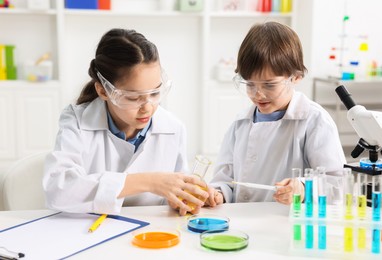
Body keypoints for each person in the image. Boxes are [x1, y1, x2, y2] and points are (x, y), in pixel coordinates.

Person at [43, 28, 211, 216]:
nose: (147, 107)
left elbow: (175, 196)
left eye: (155, 93)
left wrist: (188, 197)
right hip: (90, 232)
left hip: (150, 234)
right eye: (133, 97)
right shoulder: (77, 121)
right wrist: (150, 182)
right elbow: (58, 191)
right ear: (103, 91)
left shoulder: (173, 128)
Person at [205, 21, 346, 206]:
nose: (258, 94)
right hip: (242, 223)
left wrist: (303, 188)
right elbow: (225, 179)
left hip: (287, 224)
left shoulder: (314, 121)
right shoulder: (240, 123)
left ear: (295, 77)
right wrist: (218, 194)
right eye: (250, 84)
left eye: (269, 85)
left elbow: (336, 182)